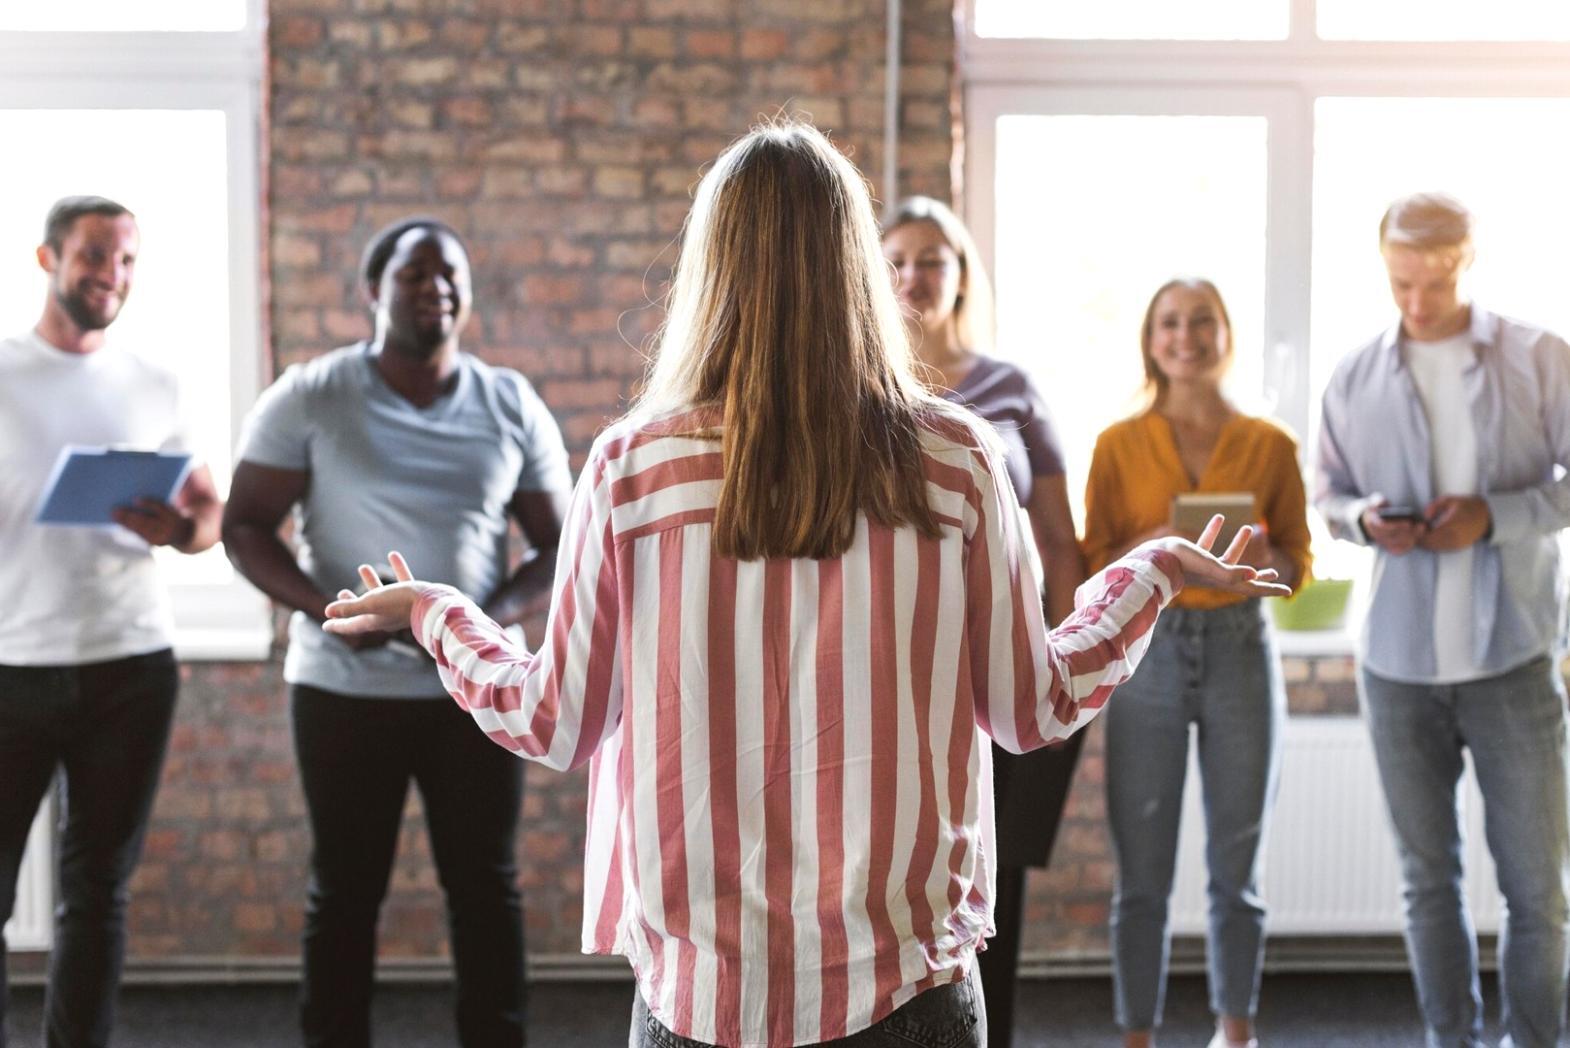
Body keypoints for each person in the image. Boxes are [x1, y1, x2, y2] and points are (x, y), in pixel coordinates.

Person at [318, 122, 1290, 1048]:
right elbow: (1033, 708)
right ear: (859, 266)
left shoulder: (631, 469)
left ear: (711, 270)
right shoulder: (956, 461)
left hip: (701, 1000)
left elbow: (552, 720)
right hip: (911, 990)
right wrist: (1151, 572)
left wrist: (437, 613)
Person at [221, 217, 572, 1048]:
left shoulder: (509, 401)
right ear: (372, 291)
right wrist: (324, 611)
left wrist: (474, 626)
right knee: (343, 891)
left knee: (486, 889)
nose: (435, 288)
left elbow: (561, 548)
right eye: (414, 274)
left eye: (449, 274)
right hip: (343, 690)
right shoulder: (311, 394)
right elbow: (244, 526)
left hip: (476, 694)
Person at [1316, 192, 1570, 1048]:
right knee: (1429, 883)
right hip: (1398, 670)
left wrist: (1495, 516)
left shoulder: (1540, 358)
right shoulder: (1352, 376)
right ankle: (1449, 1041)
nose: (1418, 303)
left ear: (1468, 261)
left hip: (1515, 665)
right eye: (1400, 284)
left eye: (1435, 282)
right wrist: (1364, 521)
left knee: (1538, 890)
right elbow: (1327, 497)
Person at [0, 196, 223, 1048]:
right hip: (12, 665)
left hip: (129, 665)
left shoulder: (154, 382)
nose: (112, 277)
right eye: (95, 256)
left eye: (126, 261)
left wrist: (181, 529)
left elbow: (207, 513)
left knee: (97, 890)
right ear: (49, 258)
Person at [1083, 278, 1310, 1048]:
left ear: (1225, 333)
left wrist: (1258, 551)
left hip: (1242, 649)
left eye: (1202, 321)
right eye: (1171, 323)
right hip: (1149, 650)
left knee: (1235, 870)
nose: (1186, 336)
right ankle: (1137, 1036)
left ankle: (1235, 1032)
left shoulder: (1271, 445)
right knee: (1141, 875)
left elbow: (1299, 564)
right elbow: (1092, 568)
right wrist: (1153, 543)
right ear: (1151, 340)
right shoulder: (1117, 444)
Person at [881, 195, 1086, 1046]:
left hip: (1001, 661)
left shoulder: (1011, 389)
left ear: (963, 276)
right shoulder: (866, 384)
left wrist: (1063, 661)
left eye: (934, 259)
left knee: (992, 880)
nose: (915, 275)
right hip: (906, 670)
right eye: (896, 259)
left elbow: (1059, 540)